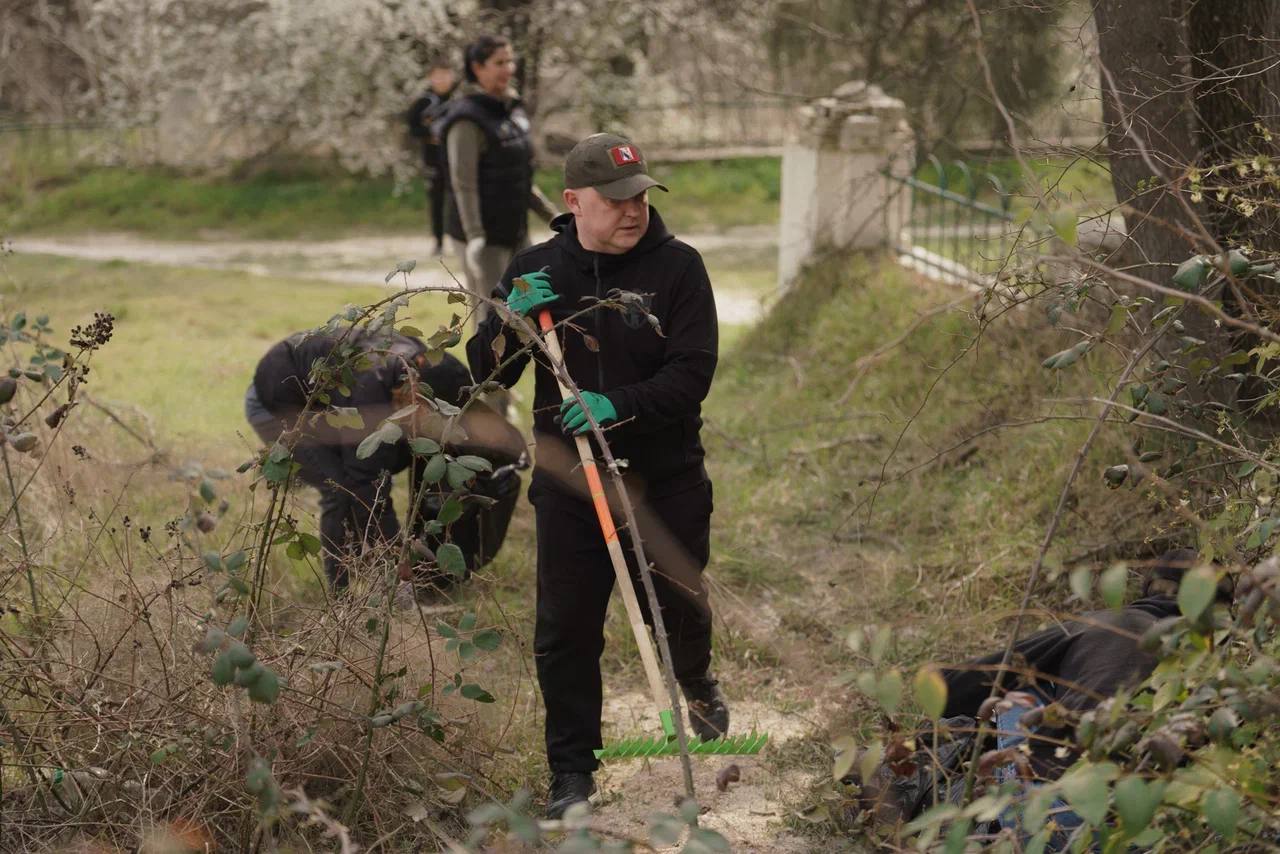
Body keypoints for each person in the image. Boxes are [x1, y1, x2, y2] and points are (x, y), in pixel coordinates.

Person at [465, 132, 724, 819]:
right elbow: (486, 372)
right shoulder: (534, 269)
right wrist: (510, 323)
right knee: (566, 631)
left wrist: (620, 406)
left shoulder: (678, 269)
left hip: (664, 478)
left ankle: (694, 680)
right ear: (574, 201)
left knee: (679, 605)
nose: (632, 210)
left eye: (639, 195)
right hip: (573, 486)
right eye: (615, 200)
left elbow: (692, 372)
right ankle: (572, 773)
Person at [245, 328, 524, 591]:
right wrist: (395, 552)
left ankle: (369, 567)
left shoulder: (439, 369)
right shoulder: (371, 395)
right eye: (428, 413)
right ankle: (341, 600)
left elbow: (476, 424)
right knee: (339, 489)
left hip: (327, 401)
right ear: (411, 392)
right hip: (277, 405)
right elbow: (367, 481)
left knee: (371, 477)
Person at [437, 34, 558, 326]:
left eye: (510, 61)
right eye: (499, 62)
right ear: (477, 68)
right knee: (492, 316)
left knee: (529, 311)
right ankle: (488, 373)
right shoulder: (466, 119)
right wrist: (475, 235)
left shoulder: (513, 110)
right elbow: (462, 183)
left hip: (515, 228)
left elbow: (520, 177)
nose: (509, 68)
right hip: (483, 237)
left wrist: (555, 218)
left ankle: (538, 367)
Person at [407, 57, 458, 255]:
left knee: (458, 200)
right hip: (433, 159)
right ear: (430, 78)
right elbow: (412, 128)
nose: (442, 80)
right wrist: (430, 135)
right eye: (437, 76)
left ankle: (459, 239)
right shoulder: (423, 102)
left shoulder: (459, 100)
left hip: (456, 159)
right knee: (436, 201)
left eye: (445, 75)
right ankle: (438, 242)